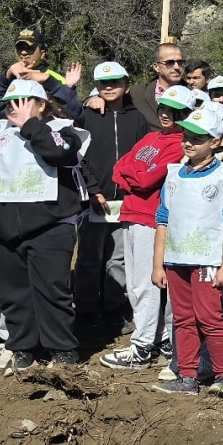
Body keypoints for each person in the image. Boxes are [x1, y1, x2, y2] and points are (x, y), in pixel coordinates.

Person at [0, 79, 85, 374]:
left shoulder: (65, 131)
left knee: (53, 291)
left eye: (24, 102)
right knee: (14, 293)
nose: (15, 109)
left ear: (41, 105)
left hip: (51, 227)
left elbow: (59, 153)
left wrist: (31, 125)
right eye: (10, 104)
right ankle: (22, 347)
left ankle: (62, 348)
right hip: (5, 229)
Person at [150, 107, 223, 396]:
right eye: (186, 137)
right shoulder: (174, 174)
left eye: (198, 139)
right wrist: (158, 265)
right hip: (176, 260)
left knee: (209, 317)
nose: (189, 143)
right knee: (182, 318)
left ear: (215, 142)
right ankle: (187, 376)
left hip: (207, 261)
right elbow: (163, 219)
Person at [99, 87, 192, 373]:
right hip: (130, 213)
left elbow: (148, 178)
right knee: (134, 280)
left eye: (173, 110)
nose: (165, 113)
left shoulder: (180, 143)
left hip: (151, 217)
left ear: (185, 114)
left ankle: (142, 345)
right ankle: (159, 337)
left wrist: (133, 175)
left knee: (145, 282)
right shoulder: (152, 137)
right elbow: (120, 167)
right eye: (162, 107)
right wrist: (133, 175)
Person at [77, 62, 150, 330]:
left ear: (126, 85)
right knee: (88, 257)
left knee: (118, 259)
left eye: (115, 82)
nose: (109, 87)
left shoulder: (137, 118)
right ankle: (86, 310)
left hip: (126, 201)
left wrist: (134, 190)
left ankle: (115, 309)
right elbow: (78, 157)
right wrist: (93, 189)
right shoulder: (87, 116)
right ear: (95, 86)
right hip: (93, 200)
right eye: (103, 83)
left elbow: (143, 158)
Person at [129, 41, 187, 128]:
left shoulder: (193, 94)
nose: (177, 67)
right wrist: (100, 98)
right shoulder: (137, 93)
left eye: (180, 62)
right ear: (156, 67)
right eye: (170, 63)